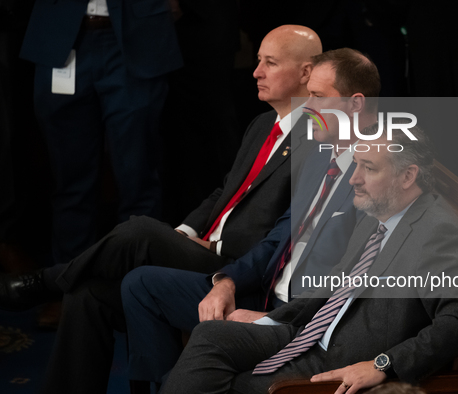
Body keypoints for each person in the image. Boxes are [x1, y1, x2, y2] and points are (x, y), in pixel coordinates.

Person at [0, 24, 322, 394]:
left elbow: (287, 233)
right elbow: (225, 193)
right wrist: (185, 234)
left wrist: (215, 248)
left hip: (237, 272)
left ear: (305, 72)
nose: (256, 71)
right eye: (258, 61)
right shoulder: (263, 123)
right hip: (202, 250)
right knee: (87, 293)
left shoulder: (320, 139)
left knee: (140, 231)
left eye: (270, 62)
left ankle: (44, 282)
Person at [120, 48, 381, 389]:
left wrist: (274, 319)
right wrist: (226, 281)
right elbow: (279, 236)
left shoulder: (378, 174)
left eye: (318, 97)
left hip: (300, 318)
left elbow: (351, 279)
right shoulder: (321, 154)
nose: (308, 107)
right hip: (267, 292)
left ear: (355, 104)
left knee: (209, 342)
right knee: (141, 285)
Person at [160, 126, 458, 394]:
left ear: (407, 176)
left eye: (368, 168)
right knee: (211, 334)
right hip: (308, 330)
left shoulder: (438, 232)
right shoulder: (380, 209)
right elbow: (336, 283)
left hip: (338, 360)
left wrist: (383, 364)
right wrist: (271, 319)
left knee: (240, 387)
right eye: (356, 164)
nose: (354, 178)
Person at [18, 0, 183, 271]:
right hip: (62, 39)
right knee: (70, 180)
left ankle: (137, 287)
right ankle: (69, 288)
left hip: (139, 36)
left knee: (138, 177)